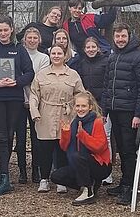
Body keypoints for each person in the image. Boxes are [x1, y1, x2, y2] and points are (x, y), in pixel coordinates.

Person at [0, 16, 35, 196]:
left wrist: (16, 82)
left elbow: (30, 72)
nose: (3, 33)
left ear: (12, 30)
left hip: (14, 97)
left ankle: (4, 175)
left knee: (9, 135)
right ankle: (2, 176)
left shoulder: (19, 50)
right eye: (0, 31)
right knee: (0, 136)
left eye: (6, 30)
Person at [29, 44, 85, 193]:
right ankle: (44, 179)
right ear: (49, 55)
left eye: (59, 53)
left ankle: (61, 180)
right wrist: (34, 112)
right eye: (53, 53)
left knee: (62, 147)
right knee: (45, 148)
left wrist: (77, 111)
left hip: (65, 115)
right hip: (45, 114)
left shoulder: (73, 75)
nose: (56, 56)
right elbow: (34, 94)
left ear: (64, 55)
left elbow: (81, 94)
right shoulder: (41, 74)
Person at [102, 23, 140, 206]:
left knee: (129, 150)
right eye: (117, 37)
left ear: (129, 37)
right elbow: (107, 85)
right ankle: (123, 182)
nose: (120, 40)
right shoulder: (112, 57)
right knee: (120, 148)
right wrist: (104, 110)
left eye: (123, 36)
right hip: (113, 109)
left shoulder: (139, 57)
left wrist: (138, 113)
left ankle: (130, 186)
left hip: (129, 111)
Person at [52, 91, 112, 205]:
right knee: (56, 176)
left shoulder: (97, 122)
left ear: (90, 107)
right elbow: (64, 147)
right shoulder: (74, 122)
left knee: (77, 156)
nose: (80, 109)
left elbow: (99, 147)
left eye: (83, 106)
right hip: (79, 163)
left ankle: (88, 189)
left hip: (100, 166)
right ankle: (89, 183)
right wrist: (65, 133)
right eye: (78, 106)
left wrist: (83, 135)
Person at [71, 36, 113, 185]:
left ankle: (107, 171)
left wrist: (104, 110)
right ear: (84, 49)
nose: (91, 50)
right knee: (87, 137)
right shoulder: (82, 63)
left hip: (101, 105)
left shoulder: (105, 62)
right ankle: (88, 169)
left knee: (105, 137)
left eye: (93, 47)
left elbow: (108, 85)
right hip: (86, 105)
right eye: (88, 47)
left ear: (98, 48)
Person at [16, 27, 50, 183]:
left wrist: (24, 78)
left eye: (35, 38)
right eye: (29, 37)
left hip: (36, 101)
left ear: (39, 40)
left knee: (36, 137)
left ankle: (36, 169)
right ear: (24, 39)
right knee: (20, 137)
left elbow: (39, 79)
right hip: (18, 99)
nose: (31, 40)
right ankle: (22, 170)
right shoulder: (17, 53)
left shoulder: (44, 58)